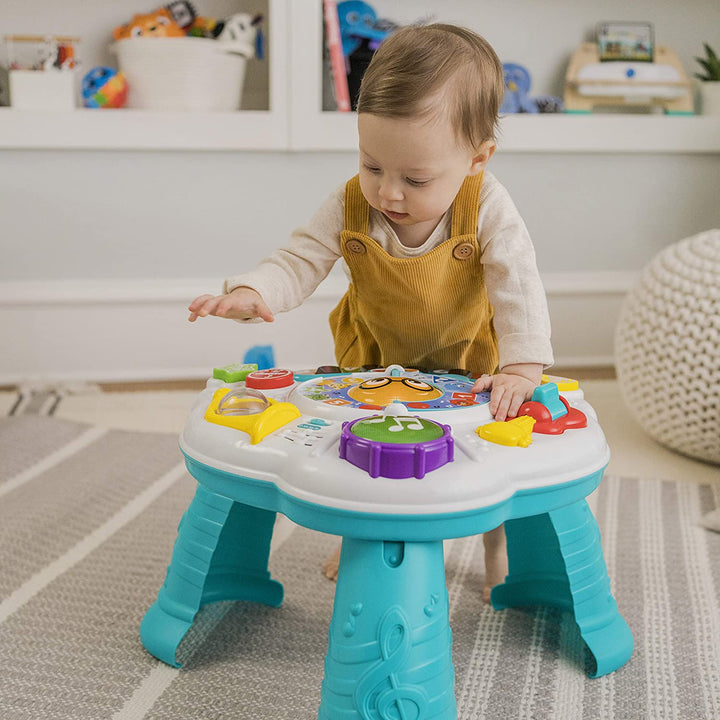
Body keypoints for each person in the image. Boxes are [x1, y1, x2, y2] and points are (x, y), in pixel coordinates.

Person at [188, 23, 554, 602]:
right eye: (372, 164)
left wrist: (522, 366)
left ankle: (495, 545)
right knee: (365, 454)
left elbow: (518, 282)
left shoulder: (487, 204)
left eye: (416, 178)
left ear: (477, 159)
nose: (389, 193)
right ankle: (362, 533)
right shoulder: (351, 201)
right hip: (375, 358)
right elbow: (300, 257)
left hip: (468, 357)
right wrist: (255, 293)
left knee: (487, 453)